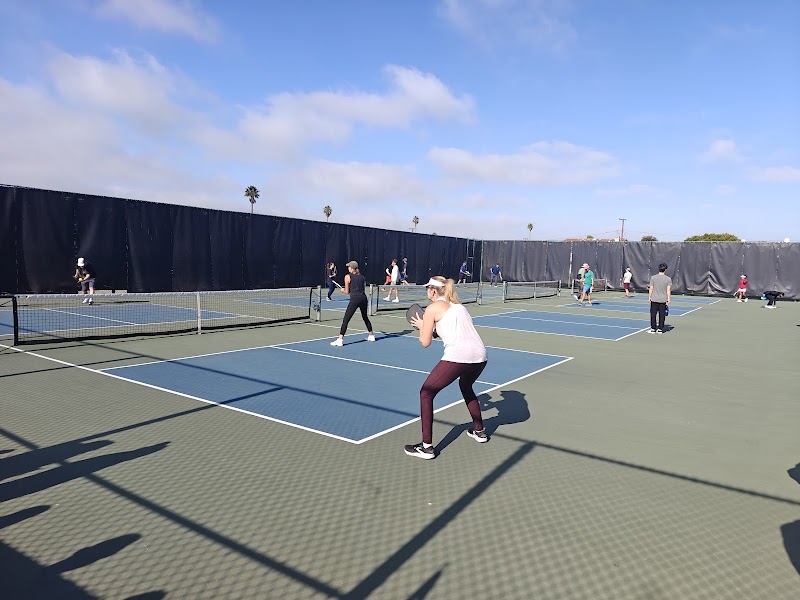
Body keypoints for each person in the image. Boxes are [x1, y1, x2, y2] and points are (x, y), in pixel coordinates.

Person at [406, 276, 489, 459]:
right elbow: (450, 330)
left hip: (458, 356)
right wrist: (430, 327)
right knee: (466, 386)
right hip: (481, 356)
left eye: (427, 288)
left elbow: (425, 342)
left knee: (426, 393)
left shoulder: (432, 309)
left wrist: (423, 326)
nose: (427, 291)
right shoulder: (460, 307)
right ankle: (479, 431)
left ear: (433, 291)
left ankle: (426, 447)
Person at [331, 261, 375, 346]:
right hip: (363, 298)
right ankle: (371, 335)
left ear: (352, 268)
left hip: (355, 299)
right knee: (365, 317)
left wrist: (342, 290)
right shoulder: (362, 277)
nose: (348, 268)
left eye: (349, 267)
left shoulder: (347, 277)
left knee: (346, 319)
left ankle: (340, 340)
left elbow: (347, 292)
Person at [648, 262, 672, 334]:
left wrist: (649, 297)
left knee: (653, 314)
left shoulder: (653, 278)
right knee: (662, 315)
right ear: (665, 270)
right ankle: (660, 329)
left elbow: (651, 288)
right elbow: (668, 290)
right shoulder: (668, 279)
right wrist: (668, 299)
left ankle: (653, 328)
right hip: (663, 300)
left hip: (654, 299)